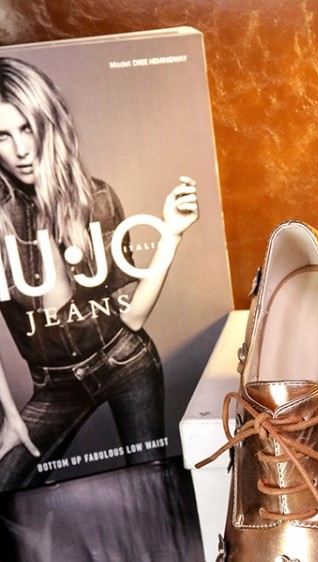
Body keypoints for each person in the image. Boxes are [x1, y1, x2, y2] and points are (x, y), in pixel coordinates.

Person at [0, 56, 199, 491]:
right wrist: (10, 416)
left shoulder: (97, 198)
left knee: (151, 488)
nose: (20, 149)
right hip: (54, 387)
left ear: (48, 123)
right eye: (3, 135)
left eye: (27, 128)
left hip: (124, 360)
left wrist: (171, 235)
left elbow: (133, 317)